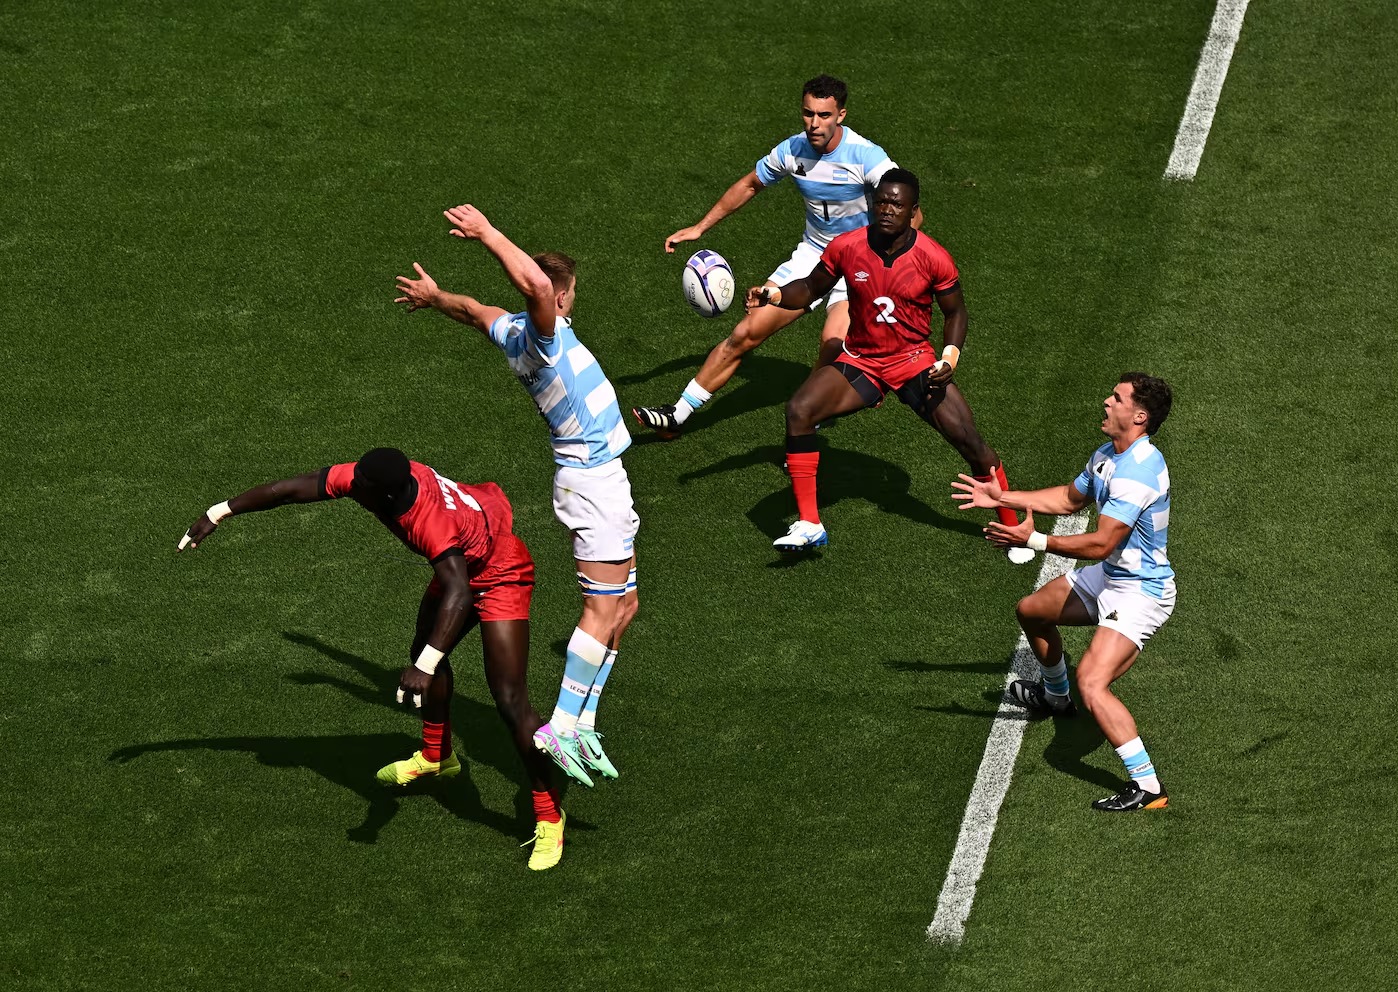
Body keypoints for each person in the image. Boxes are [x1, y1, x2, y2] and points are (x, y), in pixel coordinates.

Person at [176, 447, 568, 868]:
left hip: (497, 572)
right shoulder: (372, 479)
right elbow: (290, 490)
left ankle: (550, 817)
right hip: (459, 566)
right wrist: (219, 512)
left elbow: (458, 591)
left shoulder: (428, 522)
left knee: (508, 698)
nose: (351, 488)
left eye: (361, 487)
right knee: (425, 651)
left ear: (386, 494)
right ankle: (437, 759)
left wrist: (423, 667)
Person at [394, 204, 638, 791]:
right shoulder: (546, 338)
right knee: (601, 611)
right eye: (565, 294)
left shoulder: (513, 332)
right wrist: (486, 234)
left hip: (605, 481)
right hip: (594, 482)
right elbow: (529, 284)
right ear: (560, 300)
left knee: (624, 609)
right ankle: (561, 724)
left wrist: (435, 297)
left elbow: (475, 311)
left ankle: (582, 722)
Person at [745, 168, 1029, 560]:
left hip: (913, 361)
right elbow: (811, 287)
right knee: (800, 410)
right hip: (861, 359)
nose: (887, 210)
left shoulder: (933, 257)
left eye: (897, 204)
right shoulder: (847, 246)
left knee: (969, 441)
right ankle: (811, 523)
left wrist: (949, 356)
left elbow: (956, 313)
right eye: (881, 202)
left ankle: (1012, 527)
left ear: (913, 211)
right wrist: (774, 294)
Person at [632, 74, 917, 439]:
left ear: (841, 115)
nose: (814, 124)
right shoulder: (792, 150)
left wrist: (892, 264)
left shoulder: (867, 157)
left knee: (832, 345)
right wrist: (700, 227)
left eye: (824, 115)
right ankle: (678, 414)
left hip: (859, 264)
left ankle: (806, 425)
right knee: (746, 332)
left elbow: (908, 211)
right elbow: (751, 184)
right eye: (808, 113)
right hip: (813, 256)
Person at [951, 373, 1176, 812]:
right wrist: (1005, 497)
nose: (1106, 402)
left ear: (1139, 415)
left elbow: (1101, 543)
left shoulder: (1139, 472)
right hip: (1112, 577)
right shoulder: (1110, 454)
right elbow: (1070, 500)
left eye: (1117, 398)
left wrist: (1034, 542)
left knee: (1093, 683)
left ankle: (1149, 787)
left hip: (1141, 593)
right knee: (1032, 610)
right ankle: (1056, 697)